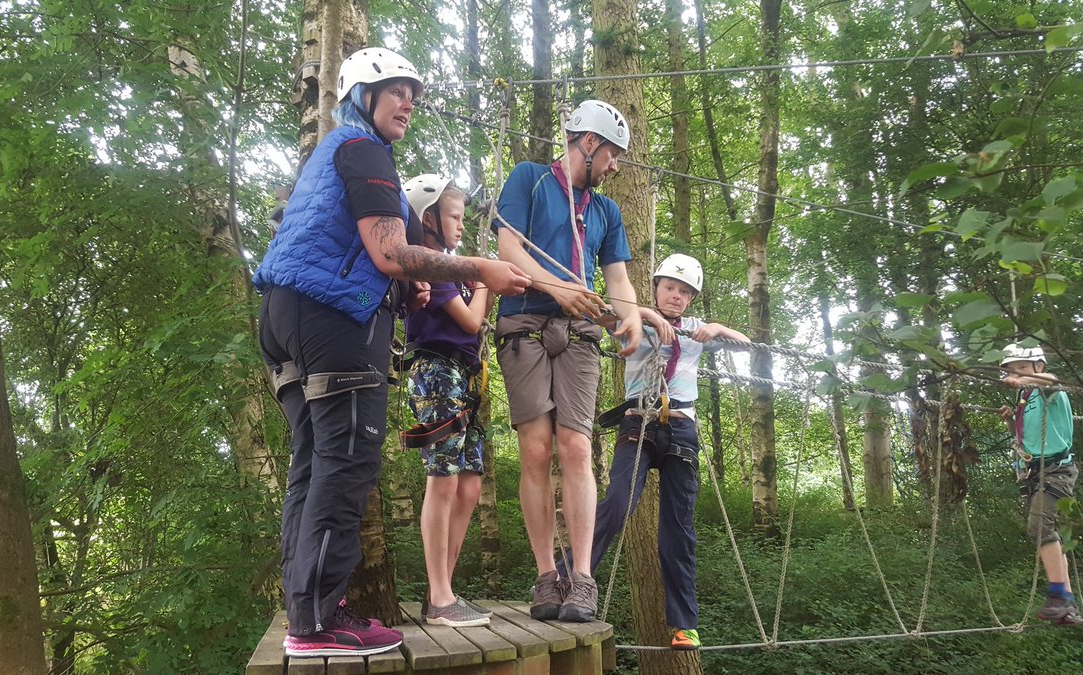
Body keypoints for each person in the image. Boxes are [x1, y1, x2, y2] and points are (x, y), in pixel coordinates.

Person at [252, 48, 530, 658]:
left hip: (285, 317)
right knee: (346, 460)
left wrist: (406, 284)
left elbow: (365, 254)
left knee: (314, 462)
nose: (409, 101)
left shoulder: (330, 156)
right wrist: (478, 266)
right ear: (361, 95)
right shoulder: (365, 150)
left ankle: (308, 610)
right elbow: (387, 251)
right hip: (332, 323)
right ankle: (320, 620)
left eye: (414, 92)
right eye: (395, 89)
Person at [493, 99, 644, 622]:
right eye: (613, 155)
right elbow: (508, 247)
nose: (616, 167)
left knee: (576, 445)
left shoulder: (605, 210)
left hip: (580, 331)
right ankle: (545, 576)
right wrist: (558, 288)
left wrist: (632, 318)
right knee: (535, 449)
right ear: (589, 142)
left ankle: (581, 578)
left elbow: (619, 279)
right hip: (524, 325)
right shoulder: (530, 179)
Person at [561, 253, 749, 649]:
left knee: (678, 529)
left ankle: (684, 625)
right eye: (669, 288)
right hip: (639, 422)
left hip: (681, 429)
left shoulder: (697, 329)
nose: (676, 297)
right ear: (656, 288)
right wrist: (642, 312)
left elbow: (747, 346)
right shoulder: (635, 319)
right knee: (617, 502)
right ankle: (569, 582)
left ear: (692, 299)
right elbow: (597, 314)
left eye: (684, 292)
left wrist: (716, 328)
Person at [399, 174, 492, 627]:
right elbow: (472, 322)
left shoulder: (452, 268)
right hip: (436, 370)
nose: (460, 225)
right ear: (429, 219)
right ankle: (439, 595)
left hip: (464, 378)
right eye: (453, 216)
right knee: (444, 479)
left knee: (469, 483)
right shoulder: (433, 267)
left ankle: (445, 590)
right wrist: (487, 280)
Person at [996, 343, 1079, 625]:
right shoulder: (1026, 396)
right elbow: (1026, 438)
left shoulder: (1047, 389)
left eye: (1021, 367)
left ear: (1038, 366)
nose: (1015, 373)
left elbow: (1054, 380)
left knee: (1040, 526)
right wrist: (1011, 421)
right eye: (1011, 369)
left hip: (1057, 468)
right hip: (1035, 471)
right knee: (1047, 531)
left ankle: (1059, 596)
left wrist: (1021, 379)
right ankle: (1066, 604)